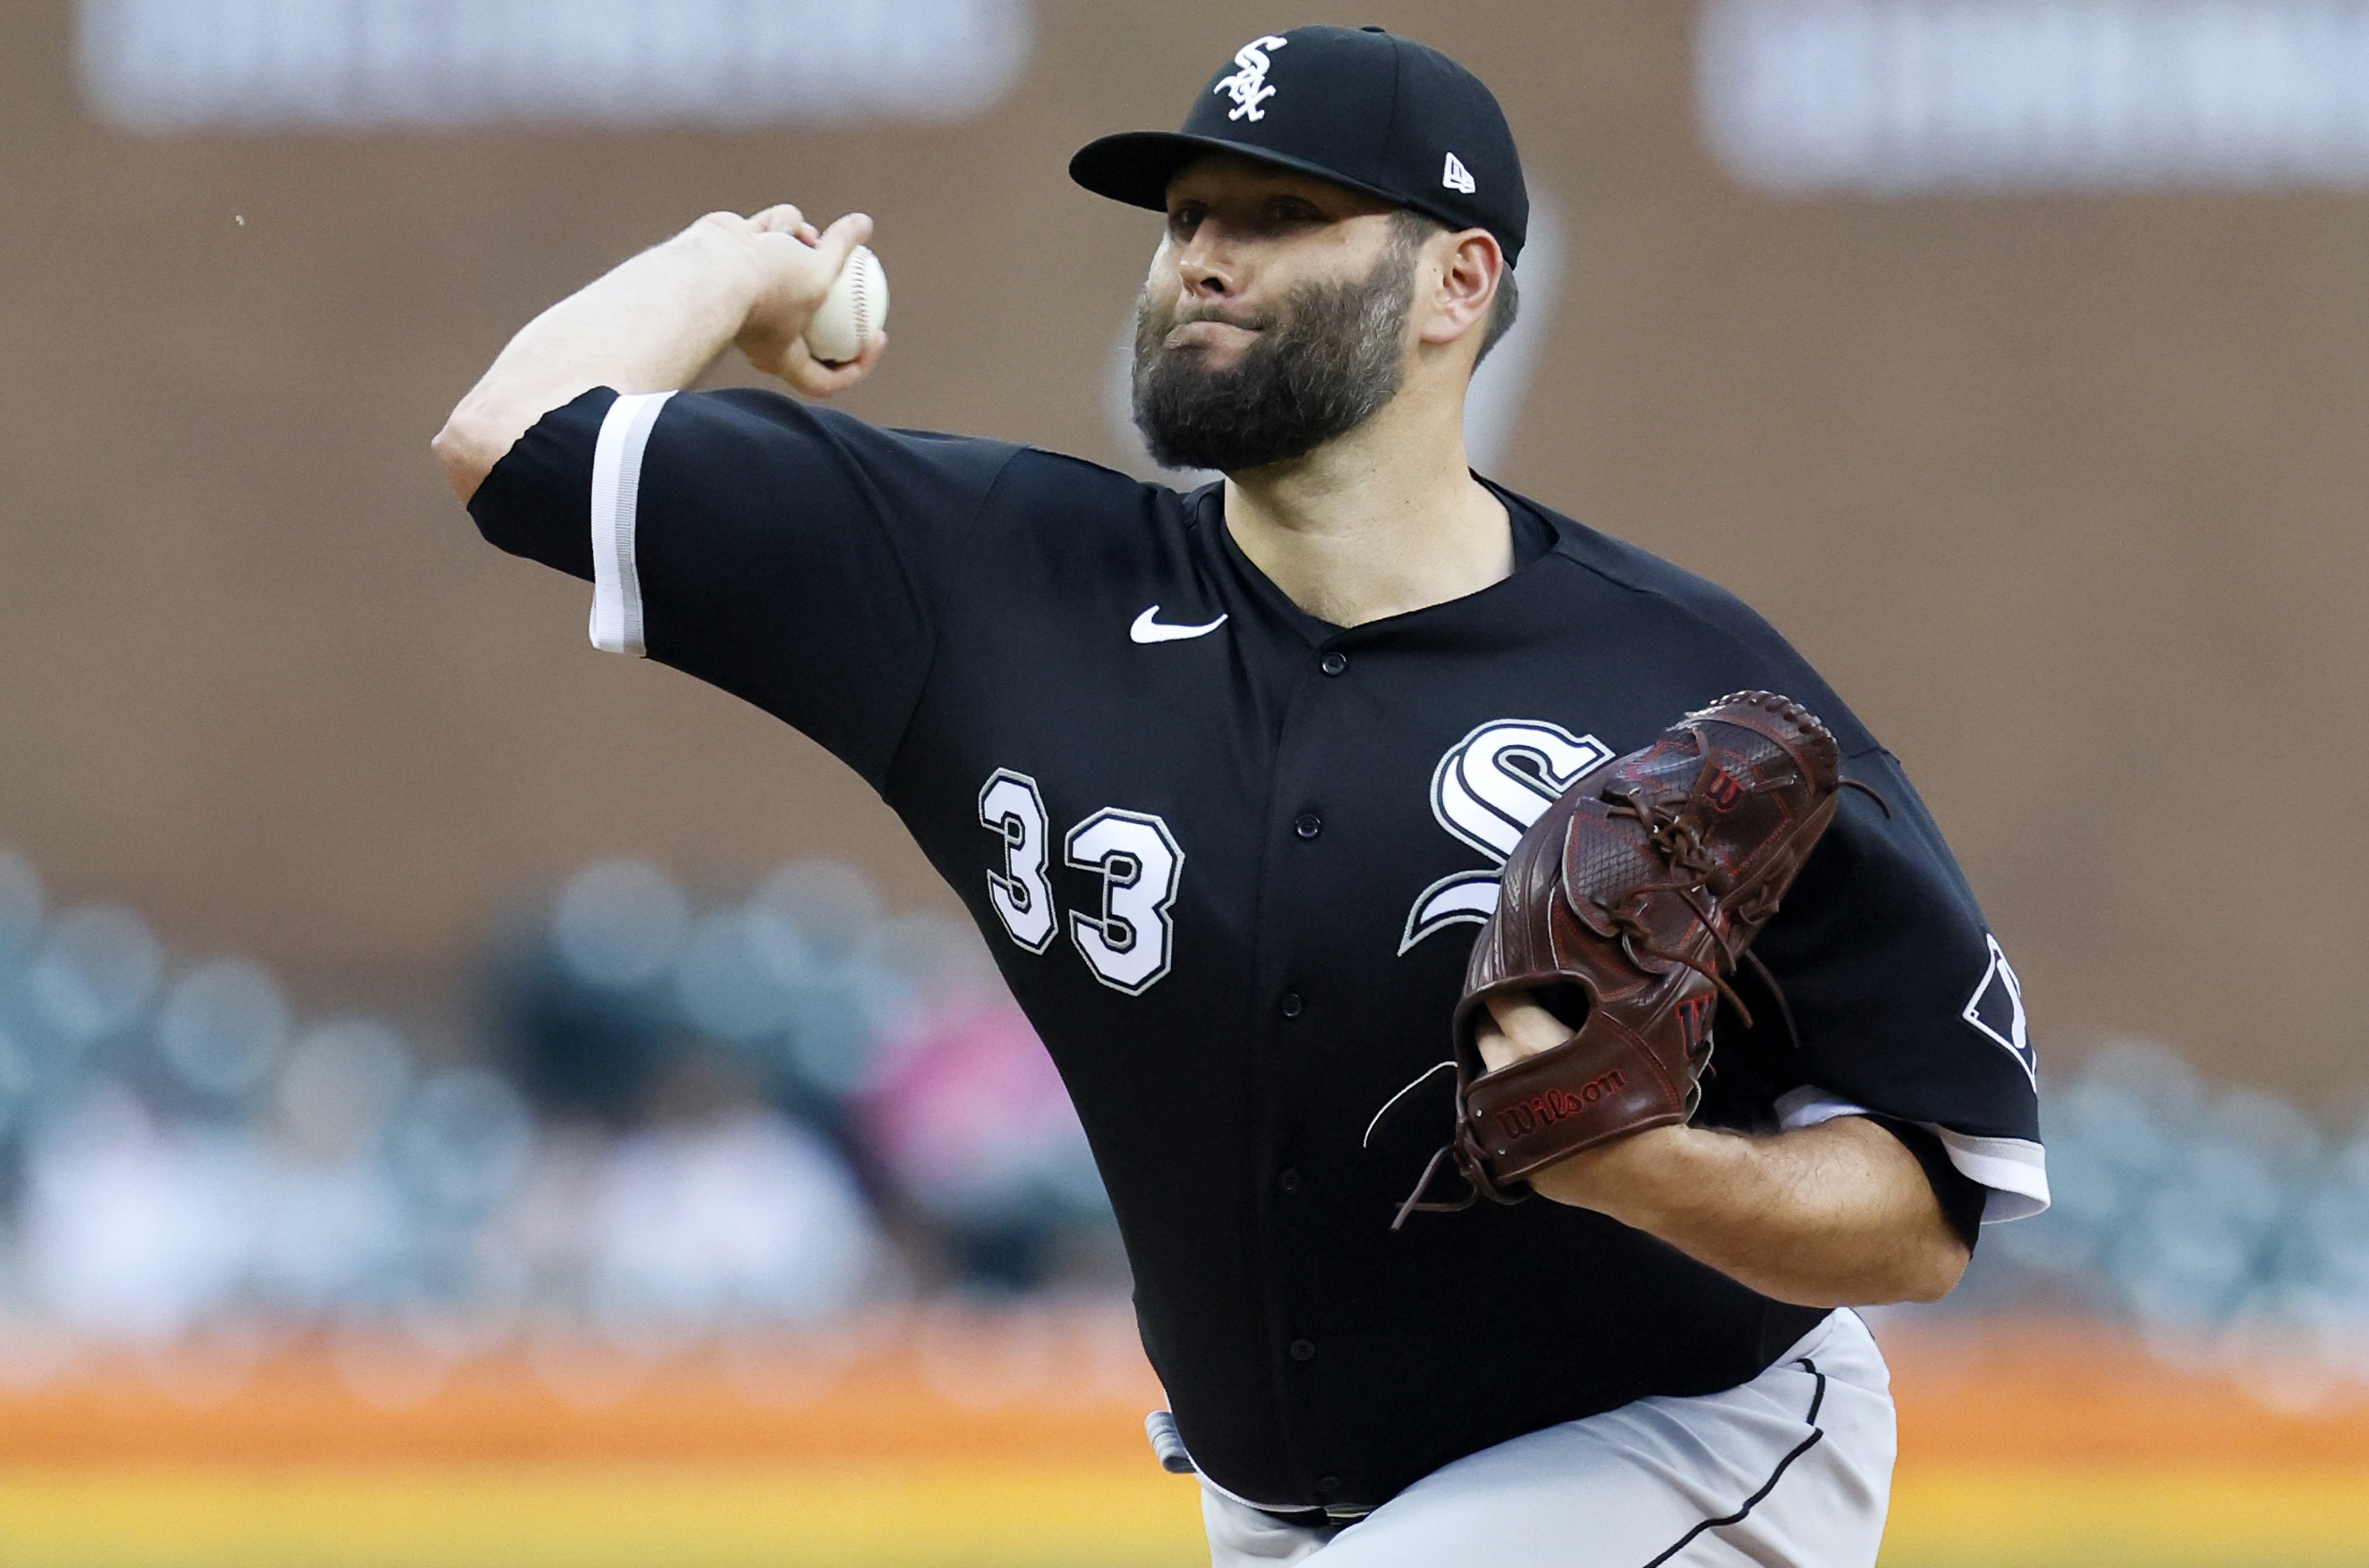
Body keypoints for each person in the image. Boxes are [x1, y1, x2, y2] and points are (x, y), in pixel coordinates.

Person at [433, 25, 2047, 1567]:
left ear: (1458, 282)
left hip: (1675, 1442)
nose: (1204, 255)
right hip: (1280, 1502)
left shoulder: (1677, 685)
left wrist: (1655, 1172)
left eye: (1282, 216)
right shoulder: (997, 582)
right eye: (1188, 215)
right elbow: (510, 441)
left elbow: (1925, 1209)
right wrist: (739, 263)